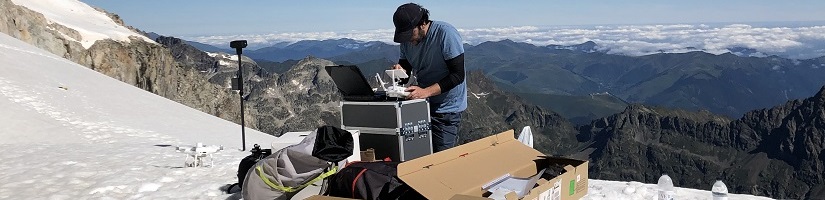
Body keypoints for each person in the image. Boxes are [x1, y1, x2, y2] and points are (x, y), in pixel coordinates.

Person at [391, 3, 467, 152]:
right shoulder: (407, 41)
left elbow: (458, 75)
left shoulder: (446, 33)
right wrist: (399, 72)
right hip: (421, 105)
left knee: (441, 159)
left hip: (447, 109)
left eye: (409, 34)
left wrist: (426, 92)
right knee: (418, 154)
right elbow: (405, 73)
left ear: (422, 24)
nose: (408, 40)